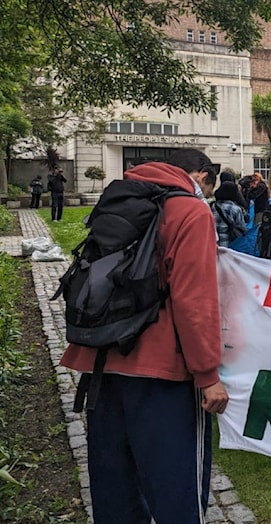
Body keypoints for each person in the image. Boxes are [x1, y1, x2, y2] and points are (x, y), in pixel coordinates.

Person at [59, 148, 228, 523]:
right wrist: (207, 374)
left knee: (114, 486)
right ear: (200, 177)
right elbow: (194, 300)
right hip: (162, 371)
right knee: (176, 488)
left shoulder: (119, 196)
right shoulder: (191, 211)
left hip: (102, 361)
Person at [212, 181, 248, 248]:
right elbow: (242, 228)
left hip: (214, 243)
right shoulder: (236, 209)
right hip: (230, 244)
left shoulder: (213, 206)